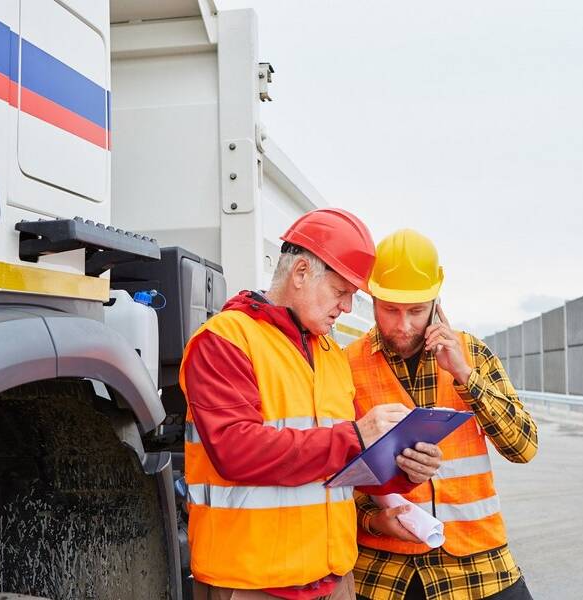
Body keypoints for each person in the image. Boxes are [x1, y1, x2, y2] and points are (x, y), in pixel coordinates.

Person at [179, 209, 443, 600]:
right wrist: (358, 433)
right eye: (341, 292)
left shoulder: (331, 355)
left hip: (334, 579)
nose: (348, 307)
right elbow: (236, 452)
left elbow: (350, 465)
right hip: (253, 583)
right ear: (301, 272)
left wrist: (406, 469)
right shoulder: (225, 340)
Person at [347, 229, 539, 600]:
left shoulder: (471, 353)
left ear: (436, 302)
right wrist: (373, 519)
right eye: (390, 309)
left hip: (477, 564)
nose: (402, 325)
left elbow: (524, 447)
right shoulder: (346, 365)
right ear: (371, 299)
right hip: (384, 570)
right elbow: (334, 472)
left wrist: (465, 375)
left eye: (416, 311)